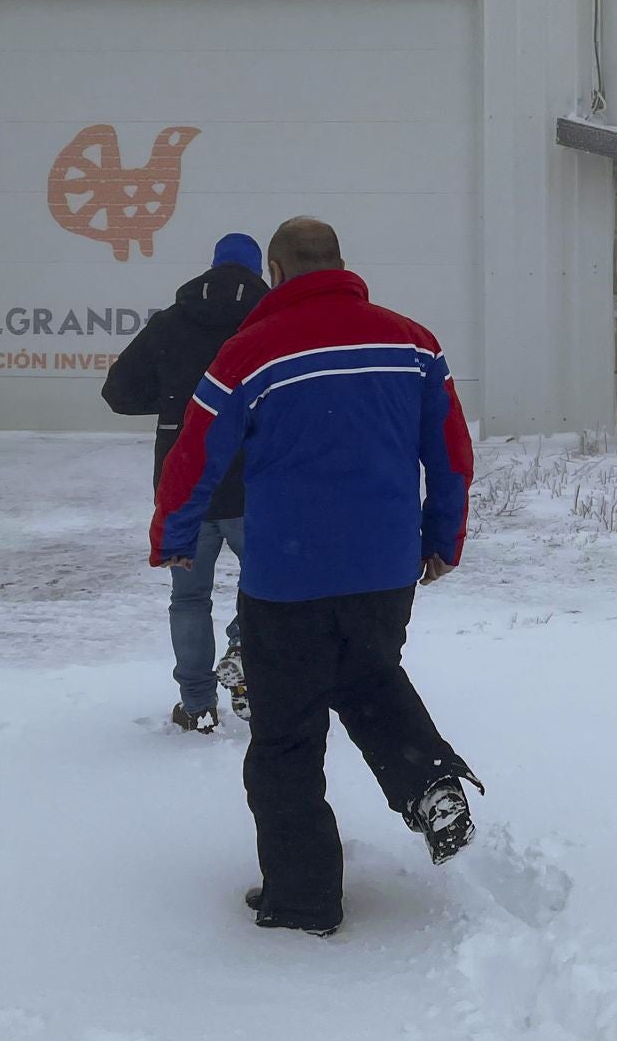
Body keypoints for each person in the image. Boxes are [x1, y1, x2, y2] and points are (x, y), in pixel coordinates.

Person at [152, 217, 479, 937]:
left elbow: (193, 453)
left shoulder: (248, 354)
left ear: (275, 270)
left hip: (286, 576)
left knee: (286, 734)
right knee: (365, 675)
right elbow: (452, 451)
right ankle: (428, 782)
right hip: (384, 569)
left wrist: (175, 537)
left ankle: (302, 898)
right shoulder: (413, 342)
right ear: (339, 262)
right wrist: (443, 538)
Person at [104, 232, 268, 734]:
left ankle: (197, 706)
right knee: (268, 587)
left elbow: (119, 392)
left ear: (212, 266)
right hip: (254, 483)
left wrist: (180, 401)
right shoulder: (270, 322)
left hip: (185, 482)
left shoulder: (170, 323)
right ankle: (244, 646)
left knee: (189, 599)